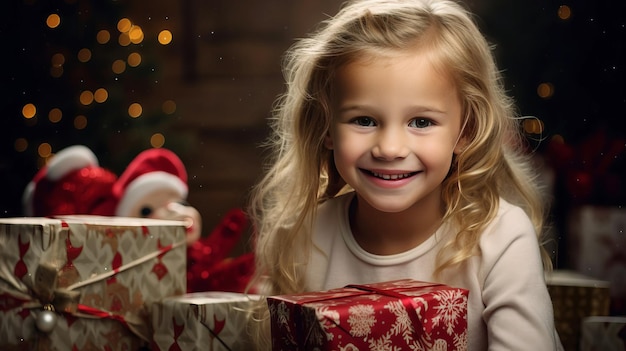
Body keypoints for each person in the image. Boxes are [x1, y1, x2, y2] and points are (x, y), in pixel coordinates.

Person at [247, 0, 563, 349]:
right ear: (326, 126)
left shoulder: (500, 238)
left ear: (466, 131)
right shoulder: (306, 235)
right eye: (364, 120)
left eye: (421, 122)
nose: (390, 148)